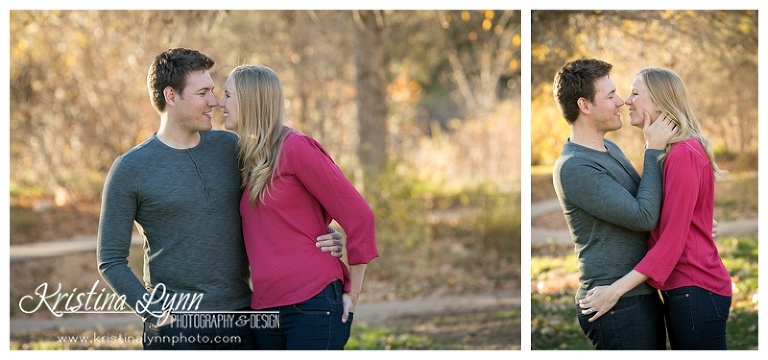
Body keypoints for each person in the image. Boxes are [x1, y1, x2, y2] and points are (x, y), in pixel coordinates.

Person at [97, 48, 343, 350]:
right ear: (171, 97)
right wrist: (156, 315)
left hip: (243, 320)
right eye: (203, 93)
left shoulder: (233, 148)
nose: (214, 101)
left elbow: (280, 203)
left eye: (214, 91)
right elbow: (110, 260)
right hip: (177, 328)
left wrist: (321, 234)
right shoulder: (130, 169)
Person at [219, 64, 379, 350]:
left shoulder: (296, 147)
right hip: (264, 310)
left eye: (228, 95)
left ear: (250, 100)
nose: (221, 103)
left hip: (312, 304)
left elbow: (360, 217)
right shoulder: (248, 159)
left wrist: (352, 295)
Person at [578, 67, 732, 350]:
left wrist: (615, 291)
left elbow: (671, 243)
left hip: (695, 288)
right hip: (684, 290)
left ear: (660, 102)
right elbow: (673, 219)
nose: (626, 101)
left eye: (635, 93)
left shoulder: (683, 153)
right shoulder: (670, 152)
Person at [551, 58, 679, 350]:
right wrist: (653, 149)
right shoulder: (575, 167)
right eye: (609, 96)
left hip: (636, 293)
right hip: (615, 303)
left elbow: (648, 202)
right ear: (584, 105)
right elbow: (644, 216)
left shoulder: (610, 148)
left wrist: (687, 222)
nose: (621, 102)